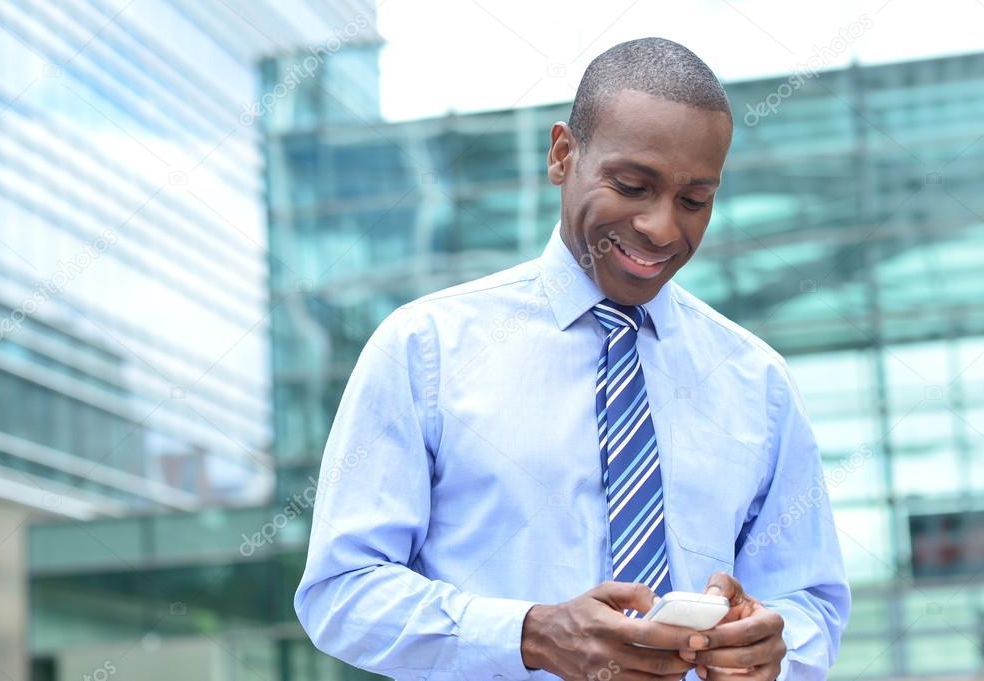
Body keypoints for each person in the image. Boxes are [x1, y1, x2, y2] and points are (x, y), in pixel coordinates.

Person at [295, 37, 850, 681]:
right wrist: (530, 635)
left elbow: (809, 601)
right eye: (632, 185)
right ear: (563, 154)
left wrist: (772, 650)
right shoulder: (426, 348)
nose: (663, 228)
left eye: (695, 200)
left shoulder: (758, 381)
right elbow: (342, 592)